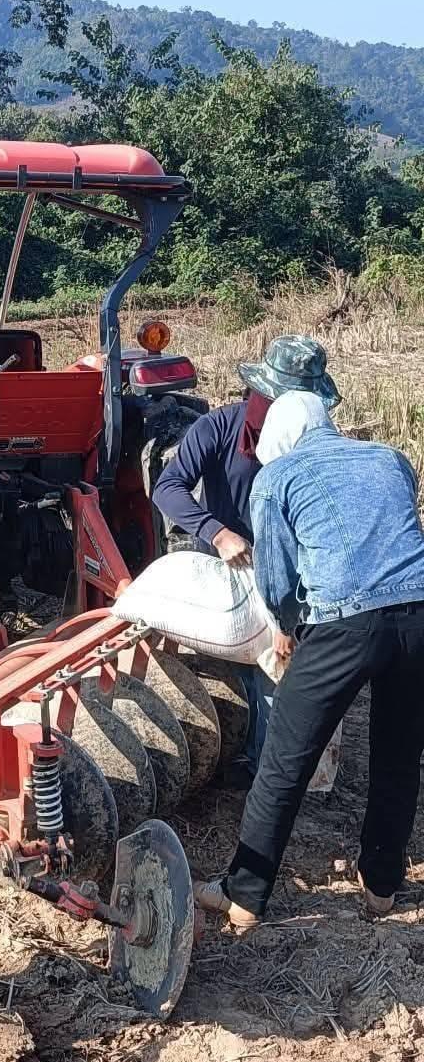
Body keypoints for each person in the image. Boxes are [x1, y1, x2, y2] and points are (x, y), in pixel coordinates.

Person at [195, 391, 424, 929]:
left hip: (345, 624)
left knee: (284, 760)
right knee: (397, 755)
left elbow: (276, 581)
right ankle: (382, 888)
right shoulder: (389, 458)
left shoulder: (276, 480)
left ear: (279, 438)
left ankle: (245, 895)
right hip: (419, 616)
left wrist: (290, 630)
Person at [152, 336, 342, 778]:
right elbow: (168, 487)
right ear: (259, 396)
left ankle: (269, 768)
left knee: (278, 668)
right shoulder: (216, 428)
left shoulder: (311, 443)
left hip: (290, 572)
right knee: (237, 668)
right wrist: (216, 533)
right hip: (228, 569)